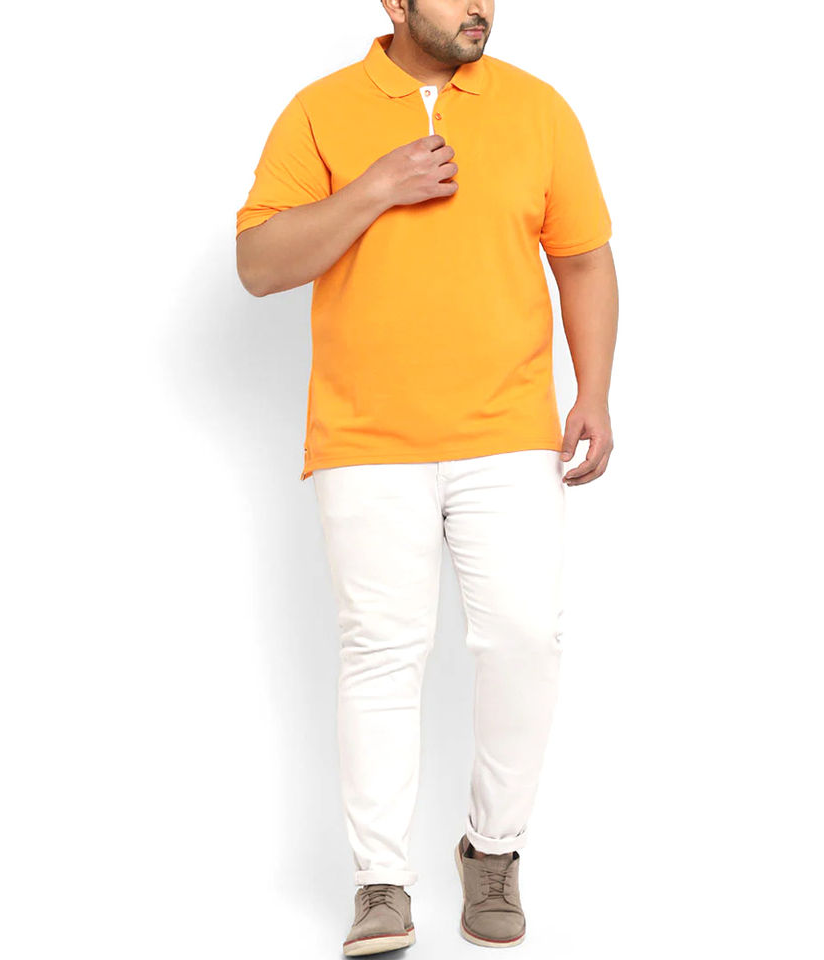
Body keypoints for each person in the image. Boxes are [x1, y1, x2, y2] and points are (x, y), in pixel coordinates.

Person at [235, 1, 618, 954]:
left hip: (508, 432)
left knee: (525, 639)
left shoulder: (538, 109)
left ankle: (494, 850)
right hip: (367, 439)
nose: (479, 6)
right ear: (395, 2)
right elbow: (259, 264)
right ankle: (381, 884)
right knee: (381, 653)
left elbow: (583, 260)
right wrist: (375, 188)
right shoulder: (321, 110)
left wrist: (594, 393)